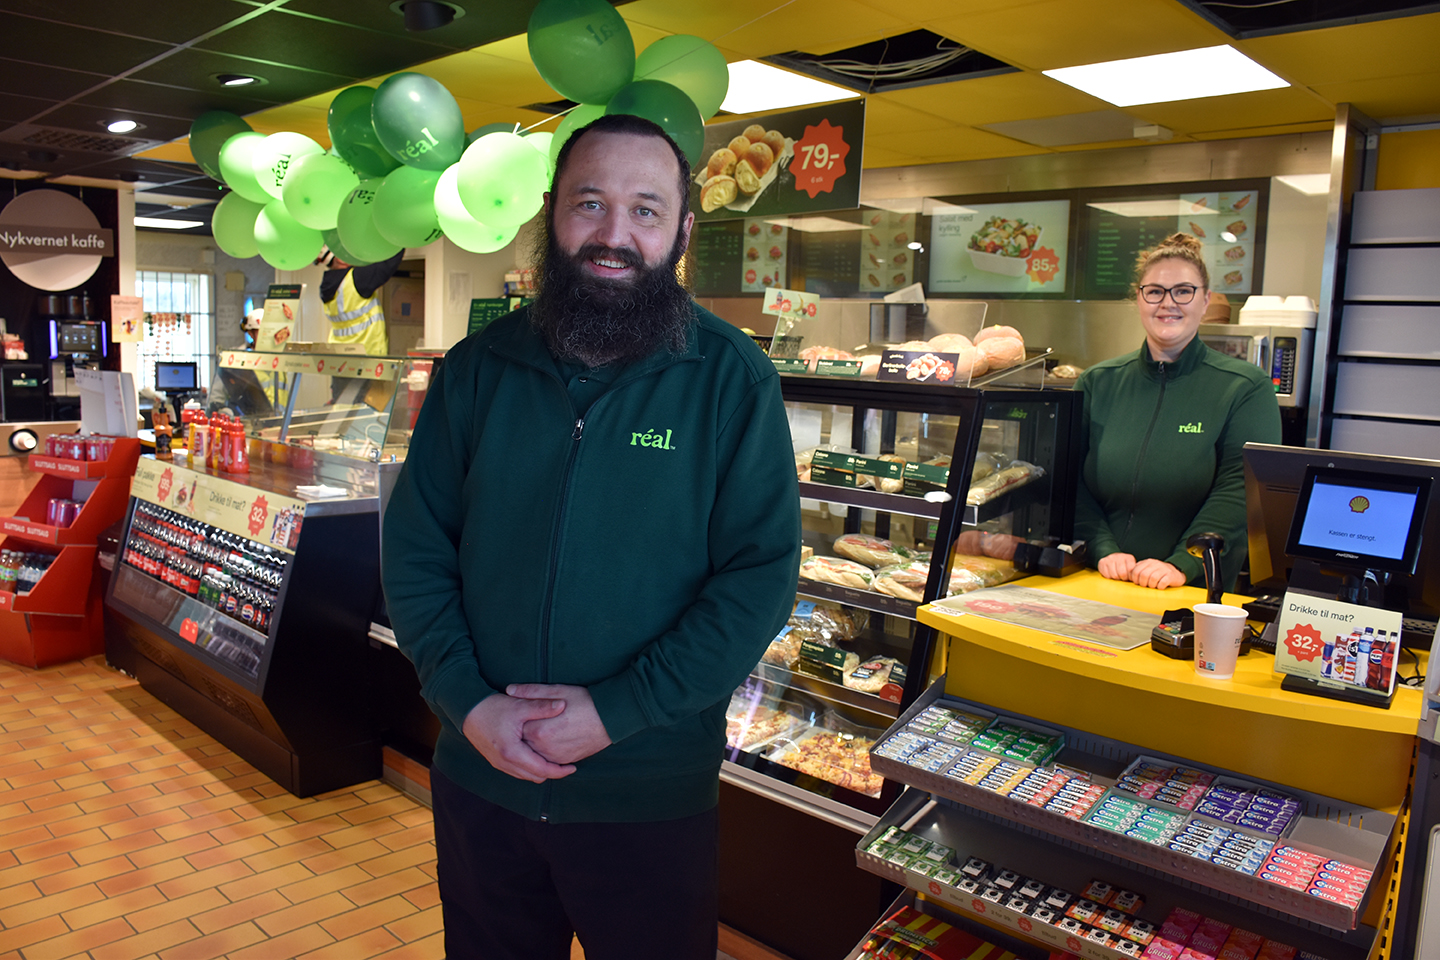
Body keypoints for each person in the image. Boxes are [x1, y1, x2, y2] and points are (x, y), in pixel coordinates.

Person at [380, 113, 801, 960]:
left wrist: (619, 711)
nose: (614, 235)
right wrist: (468, 703)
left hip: (647, 792)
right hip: (482, 777)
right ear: (551, 215)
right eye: (590, 202)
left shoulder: (730, 379)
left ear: (682, 231)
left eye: (646, 210)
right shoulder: (476, 370)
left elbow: (757, 578)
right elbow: (417, 552)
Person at [1073, 233, 1281, 591]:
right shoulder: (1097, 382)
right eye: (1154, 291)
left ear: (1206, 300)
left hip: (1189, 589)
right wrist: (1101, 547)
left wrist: (1183, 563)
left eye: (1183, 291)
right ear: (1138, 299)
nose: (1167, 303)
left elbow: (1240, 492)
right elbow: (1068, 481)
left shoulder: (1245, 387)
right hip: (1096, 579)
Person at [317, 248, 403, 355]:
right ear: (340, 259)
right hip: (367, 355)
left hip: (340, 355)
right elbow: (389, 263)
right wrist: (400, 241)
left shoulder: (326, 287)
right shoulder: (357, 279)